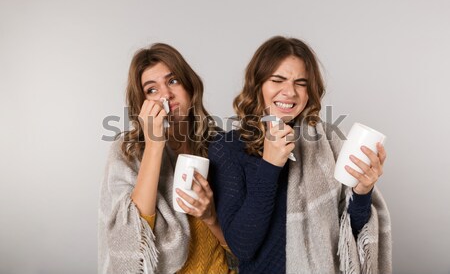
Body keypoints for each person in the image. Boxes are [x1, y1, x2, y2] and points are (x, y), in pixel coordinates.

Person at [208, 36, 392, 273]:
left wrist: (363, 191)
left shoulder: (328, 143)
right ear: (258, 84)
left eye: (301, 83)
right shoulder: (228, 147)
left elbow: (349, 235)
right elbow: (242, 246)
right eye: (278, 80)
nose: (290, 92)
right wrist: (270, 165)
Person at [98, 43, 236, 273]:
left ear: (190, 88)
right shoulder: (127, 152)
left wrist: (211, 217)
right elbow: (133, 243)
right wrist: (154, 143)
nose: (166, 95)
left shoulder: (220, 146)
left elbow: (243, 248)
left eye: (173, 81)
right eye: (152, 90)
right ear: (141, 104)